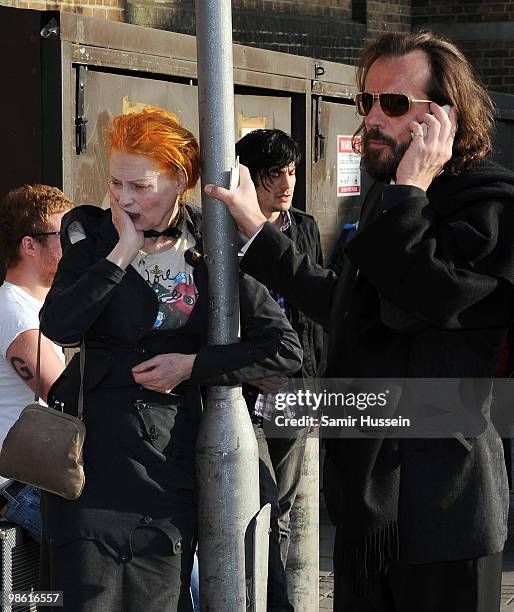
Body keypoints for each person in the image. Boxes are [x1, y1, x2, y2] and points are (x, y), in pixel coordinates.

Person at [206, 31, 514, 612]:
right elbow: (350, 305)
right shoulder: (394, 198)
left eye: (393, 105)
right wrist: (257, 230)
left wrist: (409, 195)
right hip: (371, 506)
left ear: (442, 118)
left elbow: (424, 299)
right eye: (366, 102)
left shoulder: (488, 206)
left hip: (445, 505)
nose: (372, 118)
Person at [39, 105, 302, 612]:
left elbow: (282, 347)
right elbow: (58, 325)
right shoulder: (92, 236)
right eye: (116, 184)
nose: (124, 198)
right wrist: (121, 252)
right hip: (95, 463)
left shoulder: (211, 242)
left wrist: (193, 365)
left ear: (179, 180)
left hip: (172, 463)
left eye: (141, 186)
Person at [236, 129, 324, 569]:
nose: (287, 183)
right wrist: (245, 369)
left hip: (295, 390)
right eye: (274, 175)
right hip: (244, 391)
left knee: (281, 511)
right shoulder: (223, 232)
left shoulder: (304, 226)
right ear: (250, 179)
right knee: (255, 504)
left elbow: (315, 312)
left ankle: (276, 599)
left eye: (291, 172)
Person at [0, 185, 70, 542]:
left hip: (40, 475)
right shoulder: (13, 312)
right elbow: (64, 395)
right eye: (64, 234)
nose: (74, 244)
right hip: (22, 484)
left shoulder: (37, 308)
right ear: (30, 245)